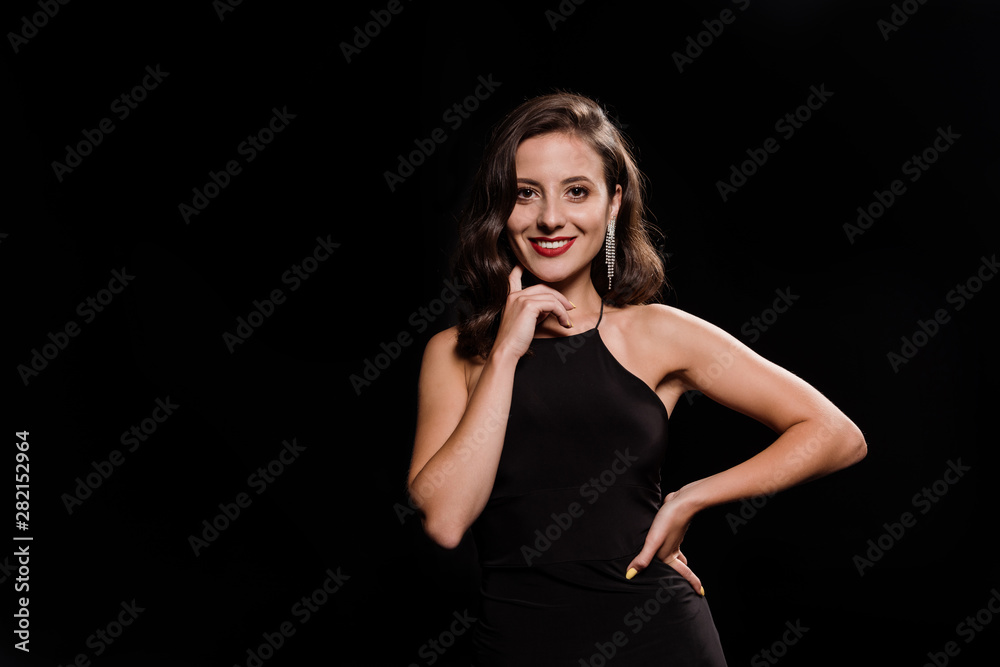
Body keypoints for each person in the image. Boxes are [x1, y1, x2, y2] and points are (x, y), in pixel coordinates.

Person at [407, 91, 867, 666]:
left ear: (613, 204)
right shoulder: (455, 354)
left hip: (658, 637)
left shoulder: (657, 334)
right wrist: (505, 354)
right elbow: (446, 521)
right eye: (526, 193)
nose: (551, 217)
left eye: (578, 191)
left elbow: (835, 434)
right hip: (515, 645)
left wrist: (689, 500)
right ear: (501, 209)